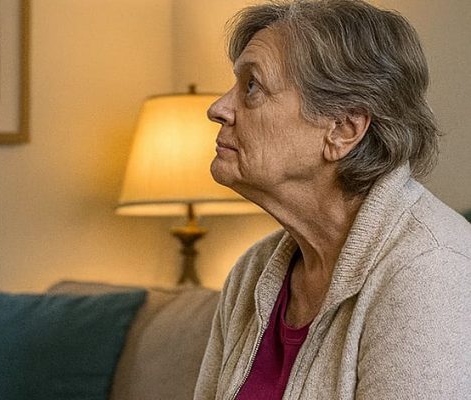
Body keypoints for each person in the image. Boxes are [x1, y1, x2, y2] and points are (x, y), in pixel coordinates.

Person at [193, 0, 471, 399]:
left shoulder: (431, 273)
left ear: (343, 129)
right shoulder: (252, 272)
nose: (217, 109)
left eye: (252, 86)